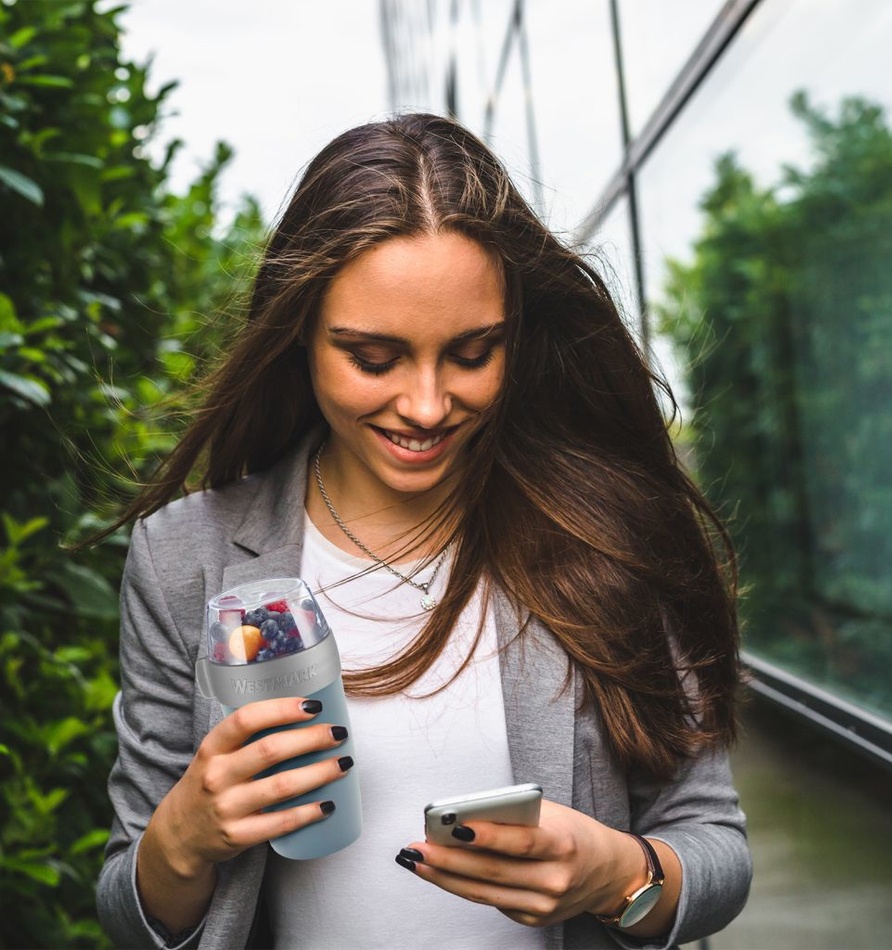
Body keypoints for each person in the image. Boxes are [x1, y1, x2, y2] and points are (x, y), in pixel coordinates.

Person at [96, 112, 751, 950]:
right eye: (374, 358)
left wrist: (619, 875)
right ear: (300, 334)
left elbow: (715, 844)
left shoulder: (603, 532)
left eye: (474, 352)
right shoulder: (185, 557)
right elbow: (128, 909)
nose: (428, 405)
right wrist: (183, 835)